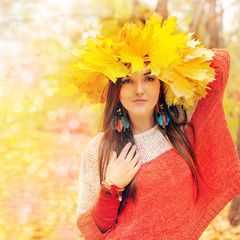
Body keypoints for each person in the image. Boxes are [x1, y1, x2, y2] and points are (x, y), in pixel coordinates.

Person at [72, 14, 240, 239]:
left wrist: (171, 59)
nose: (139, 89)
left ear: (162, 85)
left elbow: (221, 62)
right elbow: (93, 229)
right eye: (127, 80)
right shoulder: (99, 148)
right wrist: (111, 186)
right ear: (117, 89)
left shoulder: (181, 129)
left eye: (149, 78)